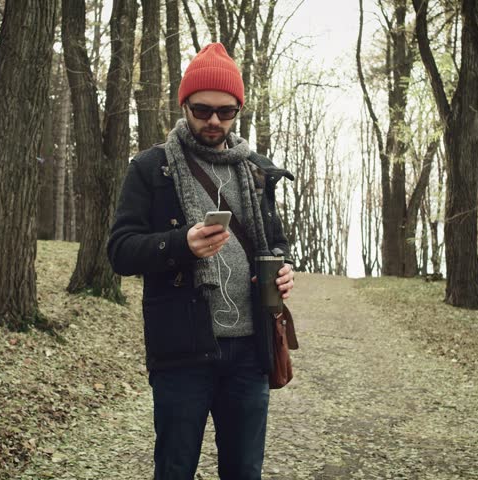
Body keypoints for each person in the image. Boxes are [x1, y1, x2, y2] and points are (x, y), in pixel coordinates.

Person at [107, 42, 295, 479]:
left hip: (251, 350)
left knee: (244, 471)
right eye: (202, 109)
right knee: (174, 469)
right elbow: (120, 250)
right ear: (184, 104)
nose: (213, 120)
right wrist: (181, 244)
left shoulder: (257, 171)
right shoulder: (152, 168)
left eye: (225, 111)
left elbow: (278, 242)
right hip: (182, 350)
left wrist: (284, 269)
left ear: (238, 110)